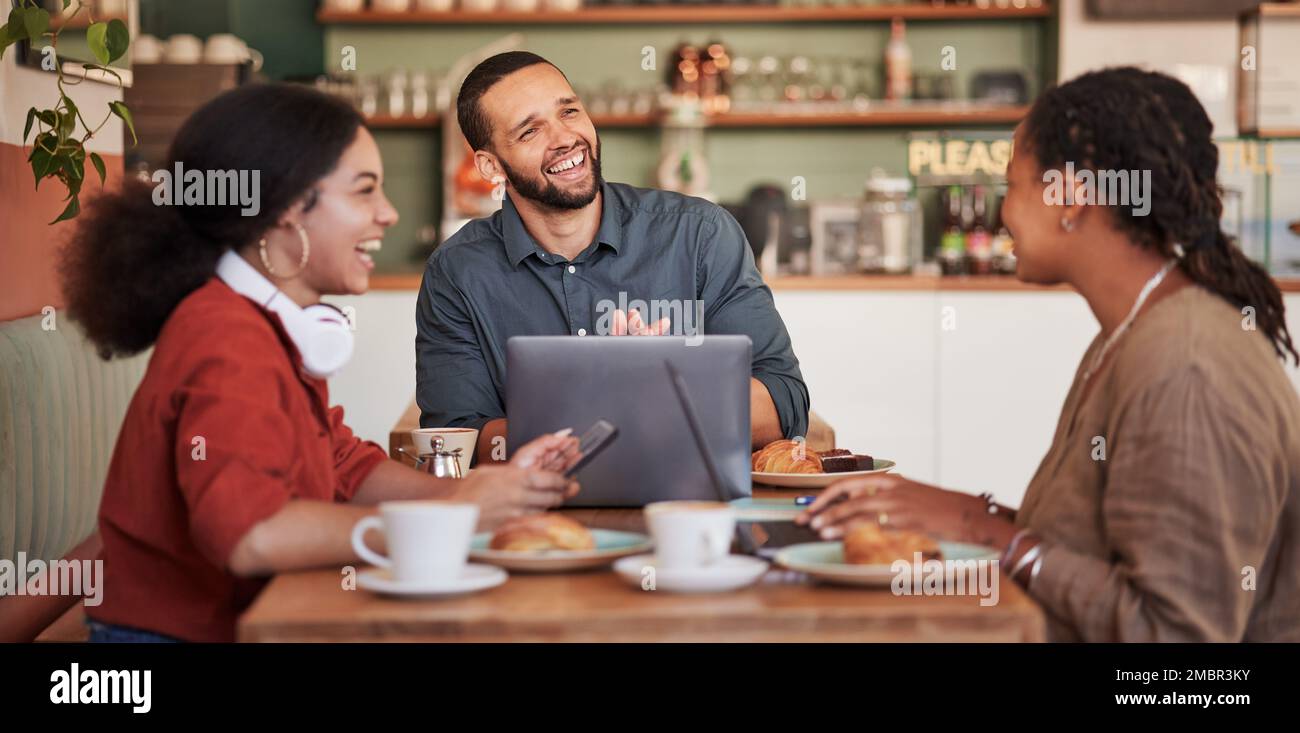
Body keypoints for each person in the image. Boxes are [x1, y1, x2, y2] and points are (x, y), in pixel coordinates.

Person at [61, 84, 580, 643]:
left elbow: (343, 465)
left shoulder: (266, 324)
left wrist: (487, 491)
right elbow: (250, 534)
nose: (388, 213)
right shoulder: (226, 338)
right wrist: (449, 519)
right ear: (287, 210)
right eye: (364, 192)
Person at [798, 67, 1300, 642]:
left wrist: (992, 537)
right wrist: (976, 515)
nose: (1003, 214)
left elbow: (1178, 651)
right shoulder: (1133, 333)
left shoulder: (1186, 366)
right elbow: (1101, 555)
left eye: (1012, 186)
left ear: (1072, 196)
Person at [416, 51, 810, 465]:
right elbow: (458, 441)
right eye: (530, 131)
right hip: (538, 514)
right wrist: (607, 410)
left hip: (685, 506)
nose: (565, 138)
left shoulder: (701, 234)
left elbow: (785, 403)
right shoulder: (457, 273)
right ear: (491, 165)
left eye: (568, 111)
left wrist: (670, 389)